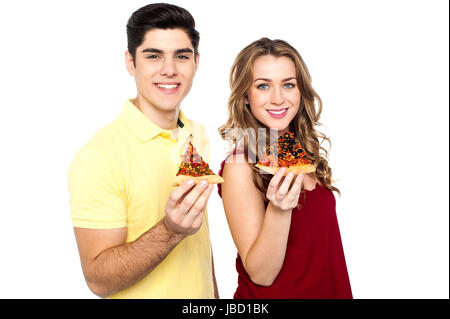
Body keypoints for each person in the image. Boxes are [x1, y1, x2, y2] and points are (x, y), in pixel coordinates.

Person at [68, 3, 218, 299]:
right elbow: (99, 280)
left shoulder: (196, 133)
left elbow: (200, 241)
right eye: (153, 56)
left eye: (182, 56)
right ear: (130, 62)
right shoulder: (98, 156)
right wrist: (172, 229)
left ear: (196, 62)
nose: (169, 69)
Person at [218, 38, 352, 298]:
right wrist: (279, 209)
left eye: (288, 85)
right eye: (263, 86)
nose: (278, 98)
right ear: (246, 96)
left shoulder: (306, 154)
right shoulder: (240, 165)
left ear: (300, 91)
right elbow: (261, 274)